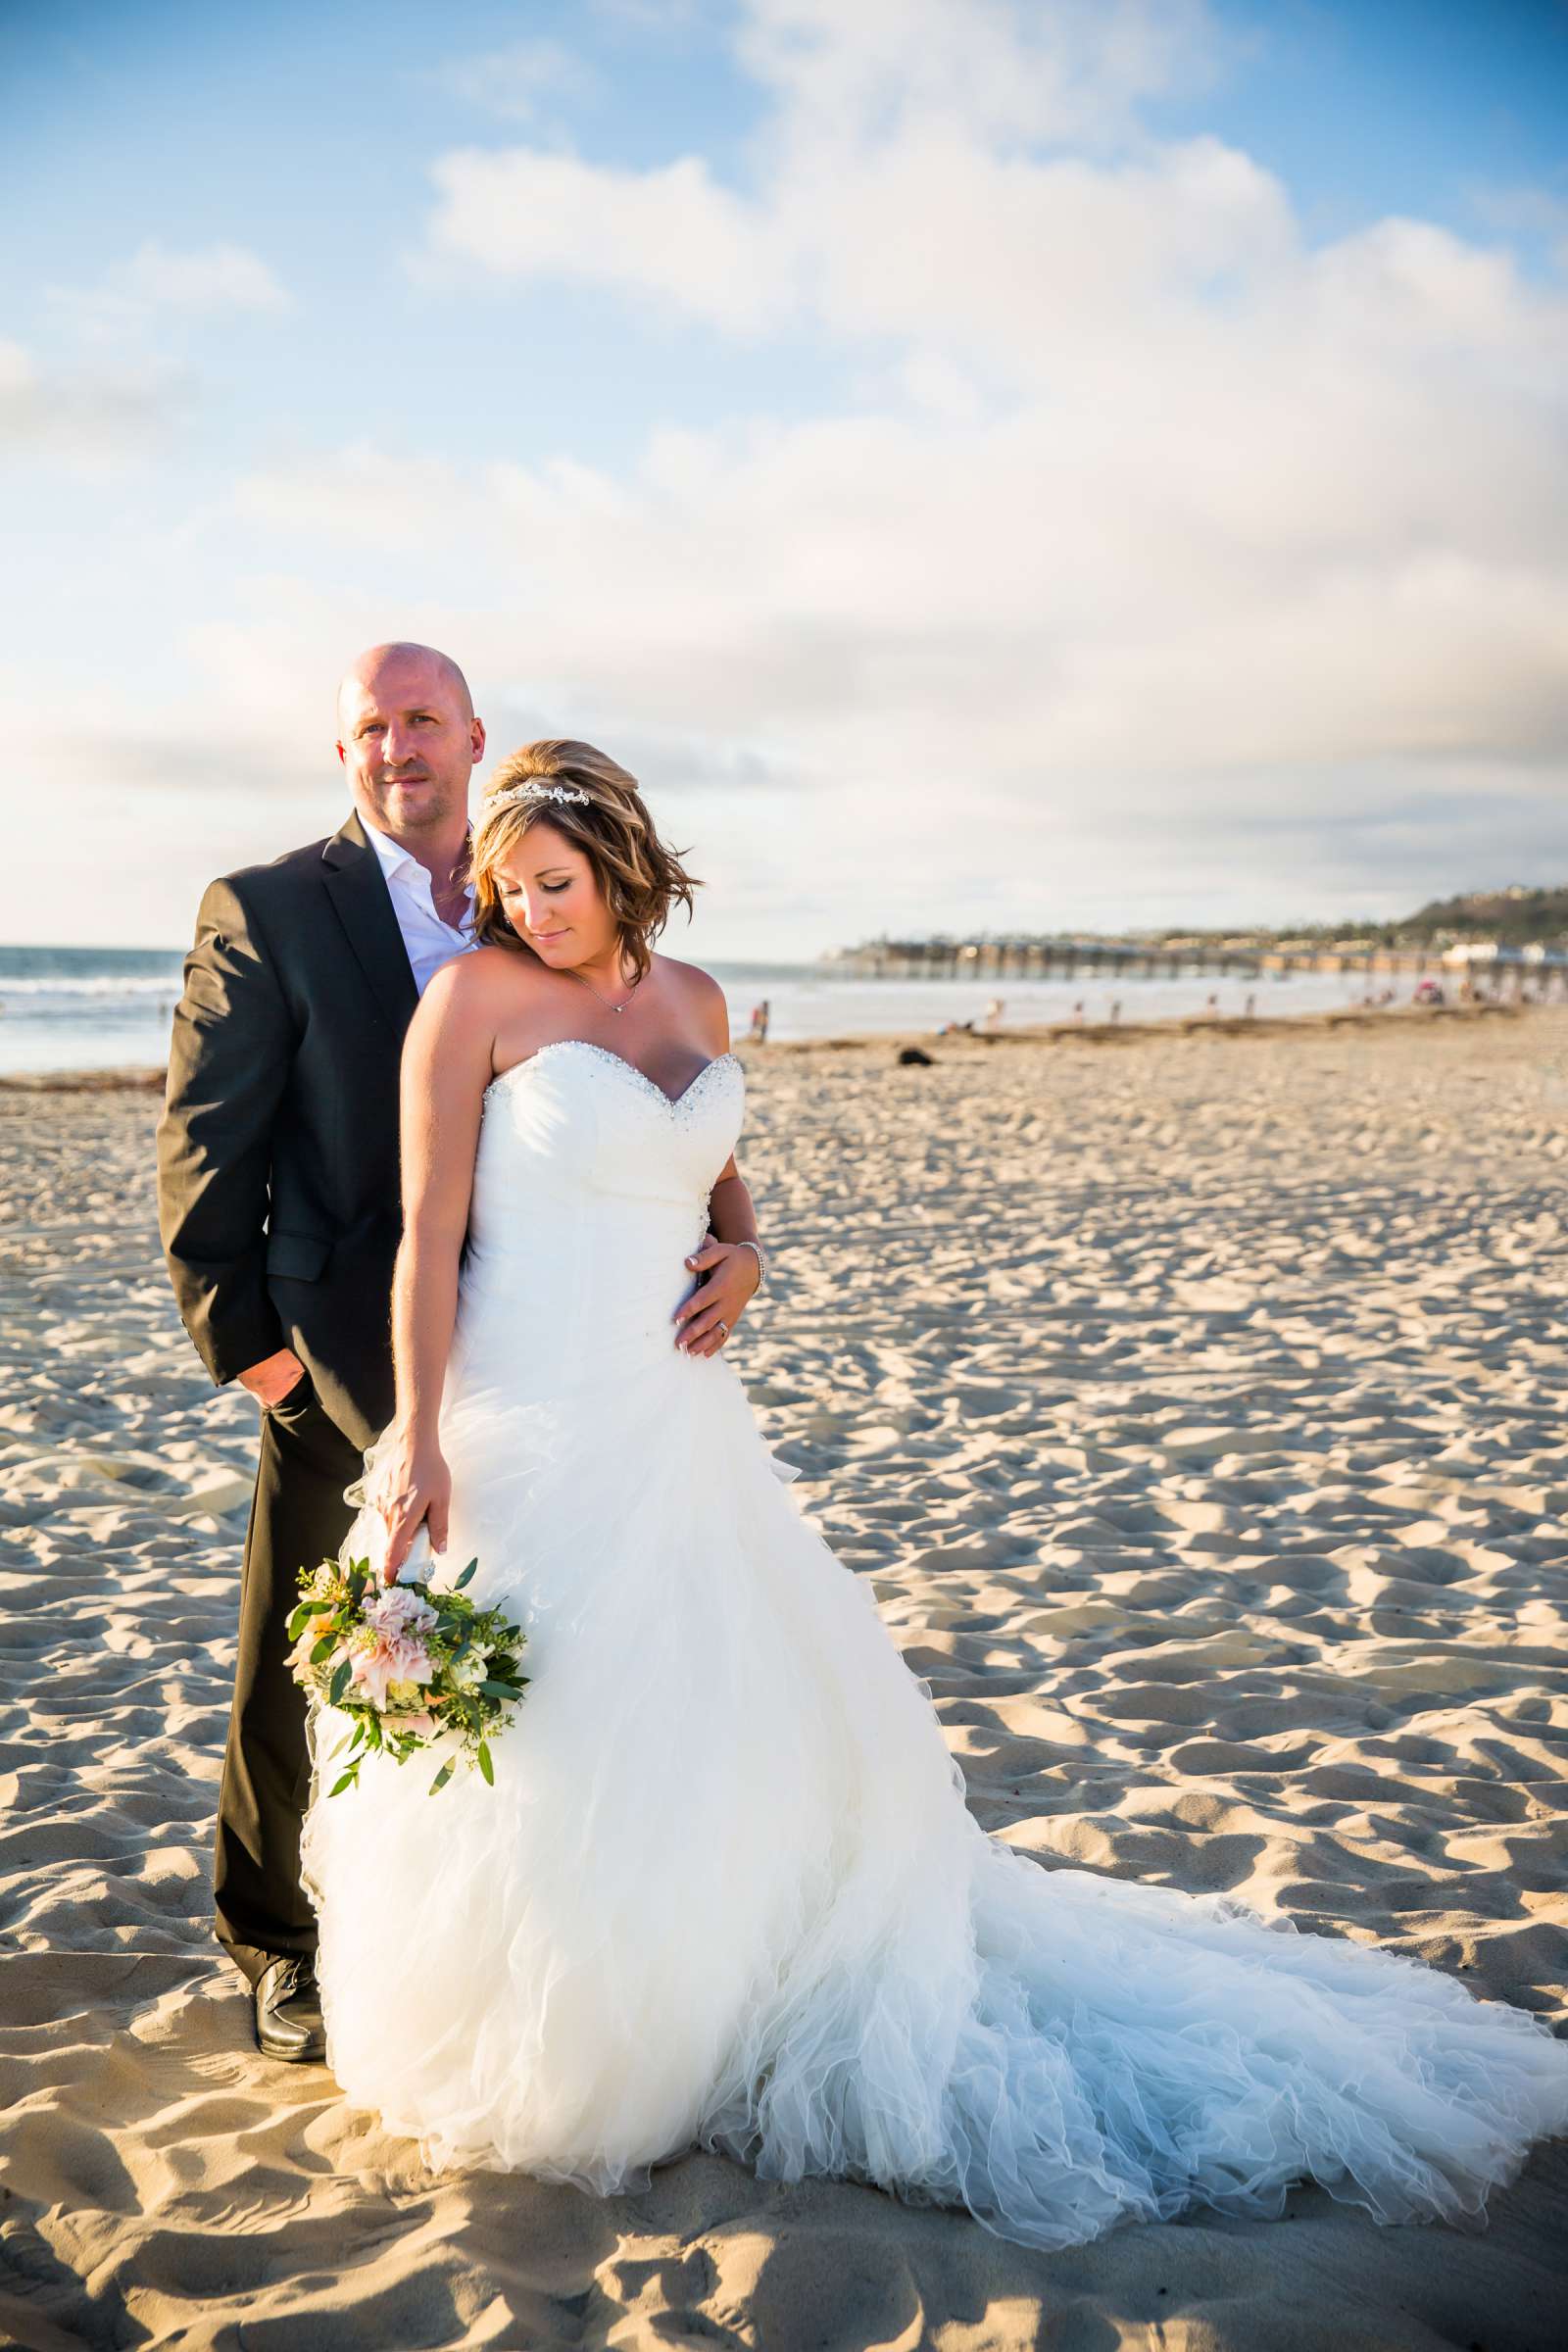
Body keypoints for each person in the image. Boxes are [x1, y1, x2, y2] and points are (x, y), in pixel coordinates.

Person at [299, 744, 1568, 2255]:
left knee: (722, 1726)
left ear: (622, 862)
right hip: (525, 1410)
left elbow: (707, 1172)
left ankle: (705, 2012)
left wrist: (751, 1251)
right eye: (505, 889)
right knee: (553, 1734)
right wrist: (424, 1438)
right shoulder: (475, 1004)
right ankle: (569, 2038)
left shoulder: (696, 1003)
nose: (527, 909)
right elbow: (426, 1236)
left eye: (553, 883)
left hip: (677, 1415)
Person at [154, 650, 765, 2066]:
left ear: (474, 738)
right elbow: (206, 1136)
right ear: (343, 752)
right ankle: (278, 1945)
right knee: (307, 1651)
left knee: (552, 1648)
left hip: (569, 1343)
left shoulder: (525, 898)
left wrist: (742, 1246)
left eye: (422, 720)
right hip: (344, 1349)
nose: (396, 746)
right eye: (369, 726)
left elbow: (663, 1125)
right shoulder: (271, 909)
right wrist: (249, 1350)